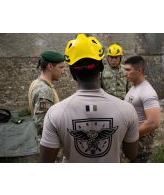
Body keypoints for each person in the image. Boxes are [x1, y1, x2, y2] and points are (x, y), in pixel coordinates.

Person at [40, 34, 139, 163]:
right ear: (101, 67)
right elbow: (131, 154)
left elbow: (46, 162)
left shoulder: (54, 113)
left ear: (72, 72)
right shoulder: (128, 110)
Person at [124, 56, 161, 163]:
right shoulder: (134, 87)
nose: (125, 73)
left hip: (141, 142)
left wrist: (130, 135)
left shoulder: (147, 91)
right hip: (133, 139)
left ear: (139, 70)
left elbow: (154, 123)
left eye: (128, 70)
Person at [28, 51, 65, 135]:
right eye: (61, 67)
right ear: (50, 66)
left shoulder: (36, 83)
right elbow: (42, 125)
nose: (63, 71)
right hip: (49, 144)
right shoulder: (44, 91)